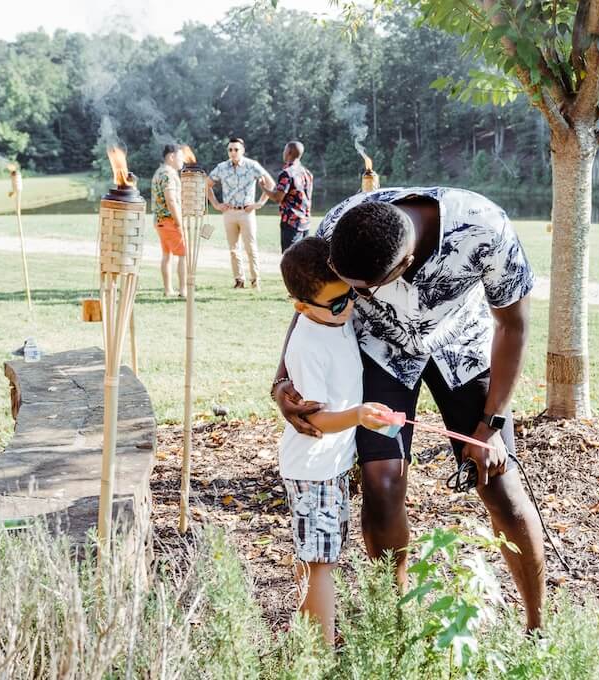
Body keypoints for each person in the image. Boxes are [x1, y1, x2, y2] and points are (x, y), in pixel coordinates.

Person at [272, 188, 545, 632]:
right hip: (382, 351)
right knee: (382, 482)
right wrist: (283, 380)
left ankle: (538, 627)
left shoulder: (486, 228)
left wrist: (491, 423)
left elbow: (513, 324)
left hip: (463, 345)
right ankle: (395, 625)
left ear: (403, 268)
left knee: (502, 490)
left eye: (361, 290)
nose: (354, 296)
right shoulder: (342, 224)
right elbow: (310, 301)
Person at [277, 236, 390, 644]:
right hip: (313, 468)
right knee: (321, 560)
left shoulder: (334, 320)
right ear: (302, 307)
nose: (350, 306)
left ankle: (308, 636)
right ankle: (320, 654)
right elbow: (316, 419)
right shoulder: (307, 343)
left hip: (331, 465)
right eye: (338, 303)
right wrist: (359, 416)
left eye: (351, 295)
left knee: (317, 554)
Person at [206, 137, 274, 290]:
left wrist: (260, 203)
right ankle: (239, 280)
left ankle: (255, 280)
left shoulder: (252, 166)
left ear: (242, 150)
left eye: (236, 149)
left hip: (246, 212)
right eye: (230, 149)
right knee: (233, 249)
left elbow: (271, 184)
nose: (233, 152)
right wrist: (216, 204)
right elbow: (207, 185)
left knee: (251, 247)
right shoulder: (221, 167)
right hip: (229, 213)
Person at [261, 140, 314, 252]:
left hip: (291, 223)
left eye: (285, 149)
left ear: (289, 152)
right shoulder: (307, 173)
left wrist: (263, 187)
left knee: (289, 260)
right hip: (305, 223)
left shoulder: (287, 173)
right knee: (302, 260)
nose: (283, 152)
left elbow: (277, 197)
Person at [151, 144, 186, 297]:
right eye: (181, 156)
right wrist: (179, 223)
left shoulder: (159, 172)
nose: (183, 160)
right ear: (172, 157)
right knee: (183, 255)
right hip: (170, 221)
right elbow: (171, 200)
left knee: (167, 255)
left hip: (159, 221)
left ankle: (168, 289)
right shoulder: (169, 174)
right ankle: (184, 290)